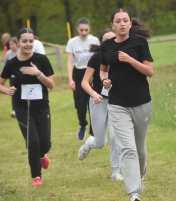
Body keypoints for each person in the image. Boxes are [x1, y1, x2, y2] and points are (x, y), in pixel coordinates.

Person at [100, 8, 153, 201]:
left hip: (141, 102)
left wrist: (130, 59)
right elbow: (103, 70)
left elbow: (149, 71)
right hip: (117, 103)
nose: (122, 24)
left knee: (139, 149)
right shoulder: (106, 46)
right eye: (118, 21)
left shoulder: (139, 42)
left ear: (130, 24)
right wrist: (105, 80)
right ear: (113, 25)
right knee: (127, 148)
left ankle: (139, 174)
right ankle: (133, 193)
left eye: (125, 20)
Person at [0, 28, 54, 187]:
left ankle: (43, 154)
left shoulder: (42, 59)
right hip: (22, 108)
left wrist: (38, 73)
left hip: (41, 107)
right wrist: (7, 90)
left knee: (45, 143)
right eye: (24, 41)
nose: (28, 44)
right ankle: (36, 176)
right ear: (18, 42)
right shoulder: (11, 63)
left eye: (31, 41)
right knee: (32, 141)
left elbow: (51, 85)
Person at [78, 29, 123, 181]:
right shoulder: (96, 58)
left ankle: (115, 172)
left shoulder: (122, 56)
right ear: (101, 43)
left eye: (113, 39)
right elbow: (84, 82)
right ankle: (90, 144)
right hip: (98, 100)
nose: (110, 43)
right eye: (106, 40)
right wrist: (94, 94)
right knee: (100, 142)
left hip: (117, 100)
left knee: (116, 136)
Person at [66, 18, 99, 140]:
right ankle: (83, 124)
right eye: (81, 30)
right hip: (78, 73)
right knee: (80, 106)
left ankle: (93, 132)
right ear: (77, 30)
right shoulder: (72, 42)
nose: (84, 33)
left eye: (86, 30)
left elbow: (99, 57)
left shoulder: (94, 40)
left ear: (89, 29)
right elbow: (70, 62)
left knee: (93, 104)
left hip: (92, 72)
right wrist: (71, 79)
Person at [3, 37, 20, 118]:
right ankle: (14, 110)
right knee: (13, 93)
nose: (10, 46)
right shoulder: (8, 53)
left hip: (21, 76)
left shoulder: (20, 52)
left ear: (17, 44)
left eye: (12, 44)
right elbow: (5, 65)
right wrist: (4, 76)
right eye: (10, 44)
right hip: (12, 77)